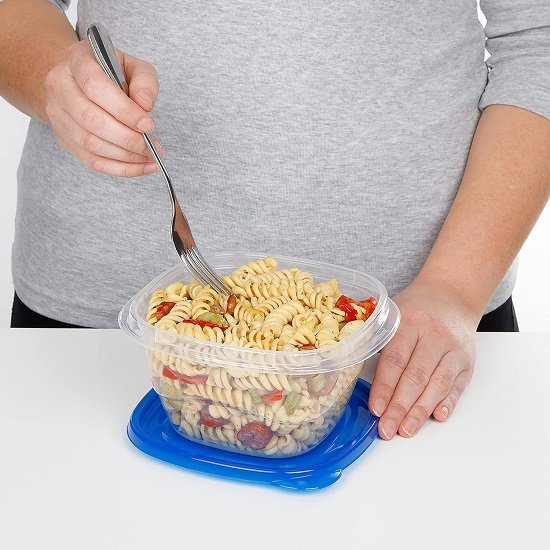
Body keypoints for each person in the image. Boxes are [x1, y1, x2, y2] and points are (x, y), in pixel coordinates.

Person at [1, 0, 549, 441]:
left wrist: (454, 288)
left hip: (412, 342)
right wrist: (55, 78)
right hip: (95, 336)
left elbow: (538, 38)